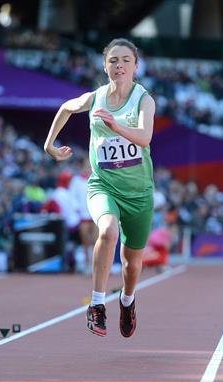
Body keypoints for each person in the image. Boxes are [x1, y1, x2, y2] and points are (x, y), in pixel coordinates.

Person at [44, 38, 155, 337]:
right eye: (113, 60)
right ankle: (96, 304)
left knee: (132, 265)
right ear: (105, 66)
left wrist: (115, 126)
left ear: (135, 66)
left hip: (139, 194)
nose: (119, 65)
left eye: (125, 60)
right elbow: (66, 108)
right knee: (107, 231)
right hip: (103, 185)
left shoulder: (144, 100)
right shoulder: (95, 98)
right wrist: (49, 144)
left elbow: (144, 138)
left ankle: (127, 301)